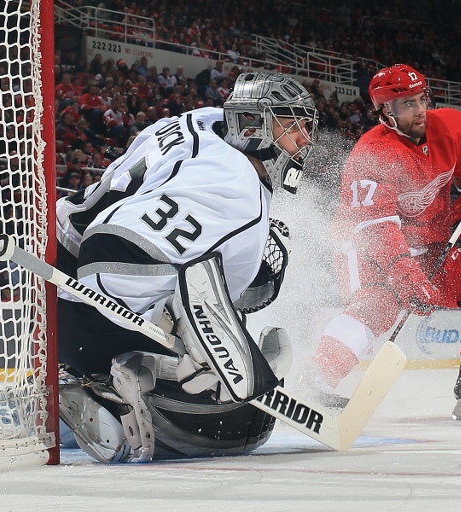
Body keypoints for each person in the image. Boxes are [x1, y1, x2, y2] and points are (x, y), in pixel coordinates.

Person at [55, 71, 318, 463]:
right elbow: (123, 253)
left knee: (184, 306)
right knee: (243, 418)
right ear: (254, 123)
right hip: (103, 300)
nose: (305, 140)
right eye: (293, 125)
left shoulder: (197, 122)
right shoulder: (239, 192)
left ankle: (78, 380)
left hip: (58, 261)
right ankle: (121, 384)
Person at [309, 63, 461, 419]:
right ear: (385, 113)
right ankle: (316, 377)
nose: (420, 109)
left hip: (426, 245)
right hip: (364, 242)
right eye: (407, 104)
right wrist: (404, 273)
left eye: (421, 99)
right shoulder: (373, 153)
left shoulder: (450, 127)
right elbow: (376, 226)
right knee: (379, 302)